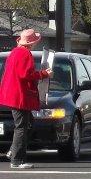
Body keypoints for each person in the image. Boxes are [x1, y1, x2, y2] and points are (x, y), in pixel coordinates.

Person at [0, 28, 52, 169]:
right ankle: (16, 160)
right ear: (31, 43)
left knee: (28, 125)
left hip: (12, 95)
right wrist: (43, 74)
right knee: (22, 127)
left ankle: (14, 152)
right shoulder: (24, 53)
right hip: (19, 96)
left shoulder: (15, 52)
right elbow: (26, 74)